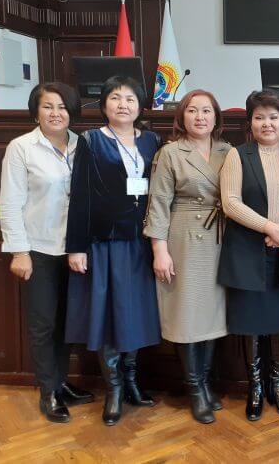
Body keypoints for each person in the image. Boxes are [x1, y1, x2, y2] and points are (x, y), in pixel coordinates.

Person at [65, 76, 161, 426]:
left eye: (130, 99)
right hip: (104, 242)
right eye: (116, 98)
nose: (123, 105)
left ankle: (132, 382)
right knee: (108, 316)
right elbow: (80, 196)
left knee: (133, 314)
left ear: (140, 105)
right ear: (104, 104)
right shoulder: (91, 141)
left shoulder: (152, 140)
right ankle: (115, 389)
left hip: (141, 242)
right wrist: (76, 247)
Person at [0, 82, 93, 423]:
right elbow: (10, 202)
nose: (56, 113)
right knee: (43, 323)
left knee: (68, 322)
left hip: (75, 249)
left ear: (73, 112)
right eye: (48, 106)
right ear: (35, 111)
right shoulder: (21, 148)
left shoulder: (83, 145)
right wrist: (19, 251)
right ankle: (48, 390)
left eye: (62, 107)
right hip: (38, 248)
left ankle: (61, 382)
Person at [144, 90, 231, 425]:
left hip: (221, 239)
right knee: (187, 314)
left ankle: (206, 383)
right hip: (184, 239)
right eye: (193, 110)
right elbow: (158, 203)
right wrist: (159, 250)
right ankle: (194, 389)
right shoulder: (170, 152)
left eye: (207, 111)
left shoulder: (227, 151)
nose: (200, 117)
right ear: (181, 116)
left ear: (216, 117)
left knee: (212, 315)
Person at [218, 90, 279, 421]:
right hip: (247, 252)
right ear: (250, 123)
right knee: (251, 322)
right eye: (259, 117)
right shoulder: (238, 155)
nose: (267, 123)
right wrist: (270, 228)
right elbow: (231, 203)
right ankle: (255, 389)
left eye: (273, 117)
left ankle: (277, 387)